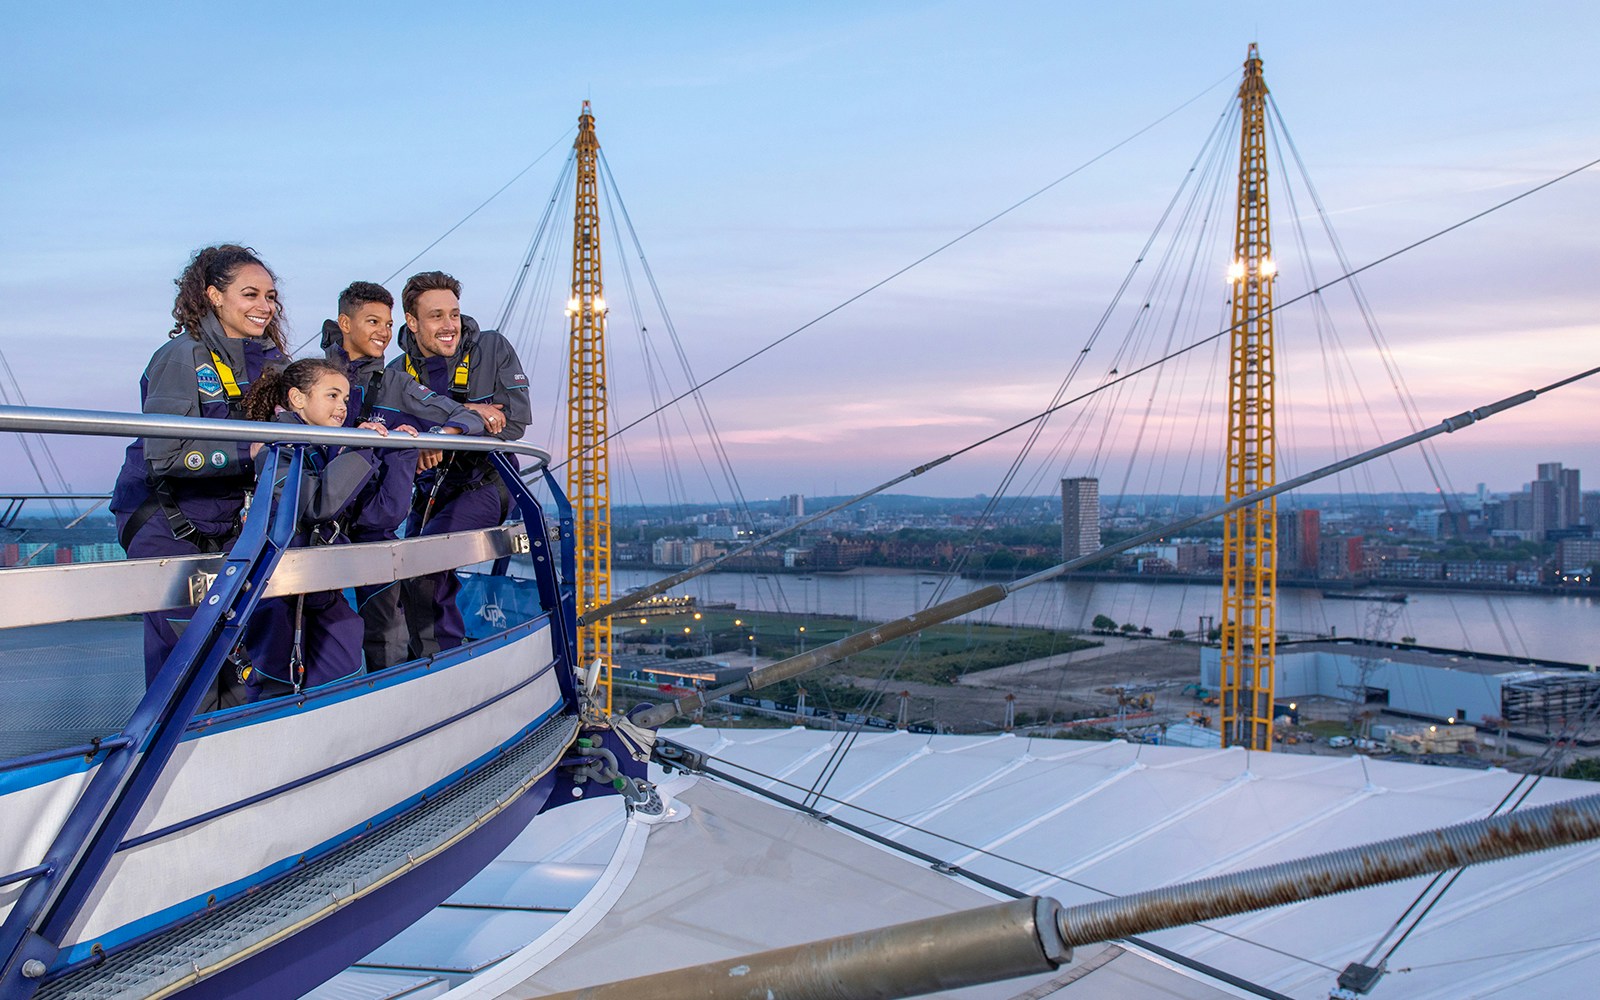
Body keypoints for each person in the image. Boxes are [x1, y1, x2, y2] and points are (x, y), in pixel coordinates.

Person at [110, 244, 290, 697]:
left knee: (228, 666)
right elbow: (164, 454)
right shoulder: (181, 356)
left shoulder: (262, 362)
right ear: (213, 296)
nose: (264, 306)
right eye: (250, 294)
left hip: (223, 525)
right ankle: (168, 763)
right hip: (164, 523)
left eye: (270, 297)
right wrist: (245, 453)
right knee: (185, 676)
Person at [319, 281, 486, 670]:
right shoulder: (317, 378)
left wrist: (436, 438)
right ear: (345, 323)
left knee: (388, 635)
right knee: (322, 635)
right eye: (372, 321)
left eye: (387, 323)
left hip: (374, 527)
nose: (382, 332)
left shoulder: (395, 384)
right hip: (320, 526)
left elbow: (463, 417)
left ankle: (399, 712)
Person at [237, 358, 418, 698]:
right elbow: (315, 505)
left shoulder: (323, 447)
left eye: (346, 399)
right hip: (280, 589)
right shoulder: (275, 446)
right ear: (298, 399)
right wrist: (359, 447)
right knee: (275, 681)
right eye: (333, 396)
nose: (342, 407)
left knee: (343, 653)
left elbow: (382, 512)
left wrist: (400, 451)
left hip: (320, 583)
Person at [391, 270, 530, 657]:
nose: (450, 325)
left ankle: (443, 662)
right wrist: (469, 415)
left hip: (487, 483)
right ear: (412, 322)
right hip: (429, 487)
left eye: (454, 313)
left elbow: (514, 420)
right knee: (399, 568)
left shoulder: (490, 348)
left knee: (425, 565)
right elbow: (391, 429)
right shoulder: (397, 371)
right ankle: (412, 658)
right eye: (436, 316)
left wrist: (441, 431)